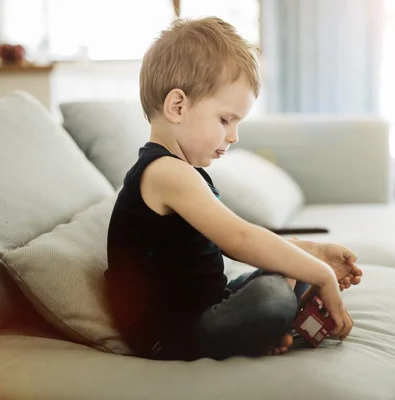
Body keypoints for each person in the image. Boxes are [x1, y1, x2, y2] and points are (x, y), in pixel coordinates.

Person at [104, 16, 362, 361]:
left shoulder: (183, 171)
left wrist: (306, 252)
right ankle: (272, 318)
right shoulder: (164, 172)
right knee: (269, 299)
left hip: (213, 306)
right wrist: (322, 275)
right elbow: (239, 240)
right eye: (226, 120)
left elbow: (238, 244)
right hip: (176, 336)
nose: (234, 136)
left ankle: (273, 315)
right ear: (177, 106)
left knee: (278, 276)